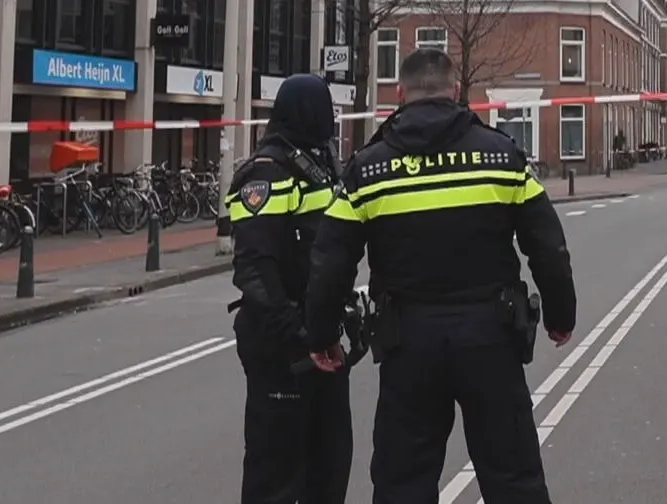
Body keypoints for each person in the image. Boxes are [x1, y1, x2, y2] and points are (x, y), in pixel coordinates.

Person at [304, 48, 577, 504]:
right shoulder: (501, 156)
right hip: (490, 338)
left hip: (408, 344)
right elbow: (547, 244)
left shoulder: (368, 169)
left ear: (398, 94)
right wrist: (560, 314)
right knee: (513, 478)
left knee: (403, 482)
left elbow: (330, 259)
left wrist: (321, 332)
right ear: (456, 91)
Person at [228, 72, 352, 504]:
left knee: (331, 462)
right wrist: (297, 335)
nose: (331, 119)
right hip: (282, 345)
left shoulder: (322, 164)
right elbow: (255, 268)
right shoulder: (265, 173)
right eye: (324, 109)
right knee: (276, 472)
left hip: (323, 336)